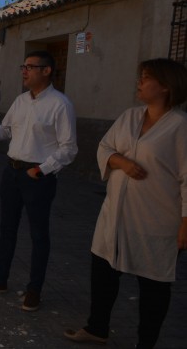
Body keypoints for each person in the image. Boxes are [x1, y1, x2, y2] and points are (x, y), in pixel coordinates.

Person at [64, 58, 187, 348]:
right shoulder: (130, 116)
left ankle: (146, 343)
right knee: (103, 268)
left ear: (166, 87)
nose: (139, 83)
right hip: (115, 212)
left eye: (145, 78)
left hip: (156, 219)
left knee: (154, 282)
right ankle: (97, 328)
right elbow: (105, 146)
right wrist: (120, 161)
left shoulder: (180, 127)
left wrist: (185, 222)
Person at [0, 50, 77, 312]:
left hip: (37, 176)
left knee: (39, 235)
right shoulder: (20, 101)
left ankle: (34, 289)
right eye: (23, 66)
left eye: (30, 67)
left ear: (47, 71)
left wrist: (42, 169)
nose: (24, 71)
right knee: (7, 229)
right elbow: (5, 130)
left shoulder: (60, 104)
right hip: (12, 173)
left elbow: (69, 148)